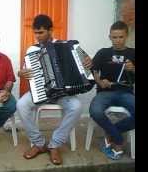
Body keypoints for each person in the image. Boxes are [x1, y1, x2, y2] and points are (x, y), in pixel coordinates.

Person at [16, 14, 92, 165]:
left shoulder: (66, 46)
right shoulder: (32, 49)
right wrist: (20, 72)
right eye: (35, 32)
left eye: (41, 32)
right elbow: (25, 71)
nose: (37, 36)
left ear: (50, 30)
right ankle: (39, 143)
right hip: (41, 90)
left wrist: (87, 63)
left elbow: (84, 64)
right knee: (21, 105)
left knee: (76, 107)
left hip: (63, 92)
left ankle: (54, 144)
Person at [89, 21, 135, 160]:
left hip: (126, 92)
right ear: (109, 37)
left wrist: (133, 68)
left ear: (126, 36)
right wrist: (100, 81)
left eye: (121, 37)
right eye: (114, 37)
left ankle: (112, 133)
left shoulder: (133, 53)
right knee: (95, 111)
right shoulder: (103, 52)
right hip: (105, 92)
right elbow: (92, 70)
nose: (118, 40)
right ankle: (118, 140)